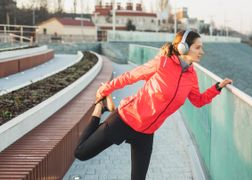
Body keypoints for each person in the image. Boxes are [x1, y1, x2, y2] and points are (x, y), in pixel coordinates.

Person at [74, 30, 233, 180]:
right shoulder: (162, 63)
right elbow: (130, 76)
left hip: (147, 132)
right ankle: (99, 108)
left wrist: (217, 88)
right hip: (126, 118)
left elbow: (198, 101)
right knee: (81, 153)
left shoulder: (192, 76)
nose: (201, 52)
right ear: (183, 47)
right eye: (198, 47)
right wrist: (105, 89)